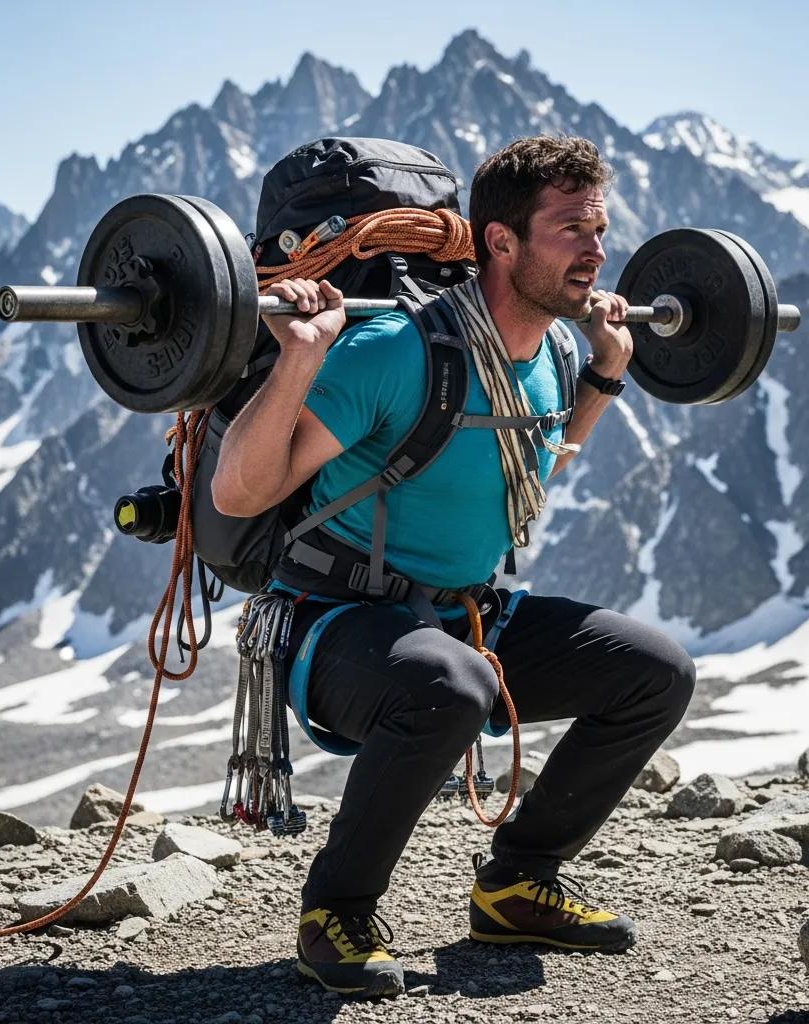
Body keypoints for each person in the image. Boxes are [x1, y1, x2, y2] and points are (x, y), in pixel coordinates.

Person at [212, 136, 696, 998]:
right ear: (500, 243)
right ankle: (337, 910)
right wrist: (299, 358)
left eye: (600, 229)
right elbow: (241, 493)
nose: (596, 250)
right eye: (571, 231)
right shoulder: (395, 352)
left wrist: (604, 379)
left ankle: (518, 882)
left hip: (466, 615)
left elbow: (526, 469)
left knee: (655, 673)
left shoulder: (549, 354)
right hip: (333, 624)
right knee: (453, 684)